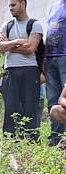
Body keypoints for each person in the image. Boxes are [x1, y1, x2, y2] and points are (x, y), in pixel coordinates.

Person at [0, 0, 44, 138]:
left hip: (30, 71)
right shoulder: (7, 25)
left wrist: (8, 46)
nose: (10, 8)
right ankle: (11, 141)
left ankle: (30, 141)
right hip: (10, 71)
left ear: (23, 4)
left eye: (13, 5)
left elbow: (30, 48)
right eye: (9, 5)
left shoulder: (35, 25)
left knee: (29, 109)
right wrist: (17, 42)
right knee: (11, 109)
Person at [45, 0, 66, 145]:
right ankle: (56, 138)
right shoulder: (53, 5)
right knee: (53, 100)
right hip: (51, 57)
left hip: (65, 56)